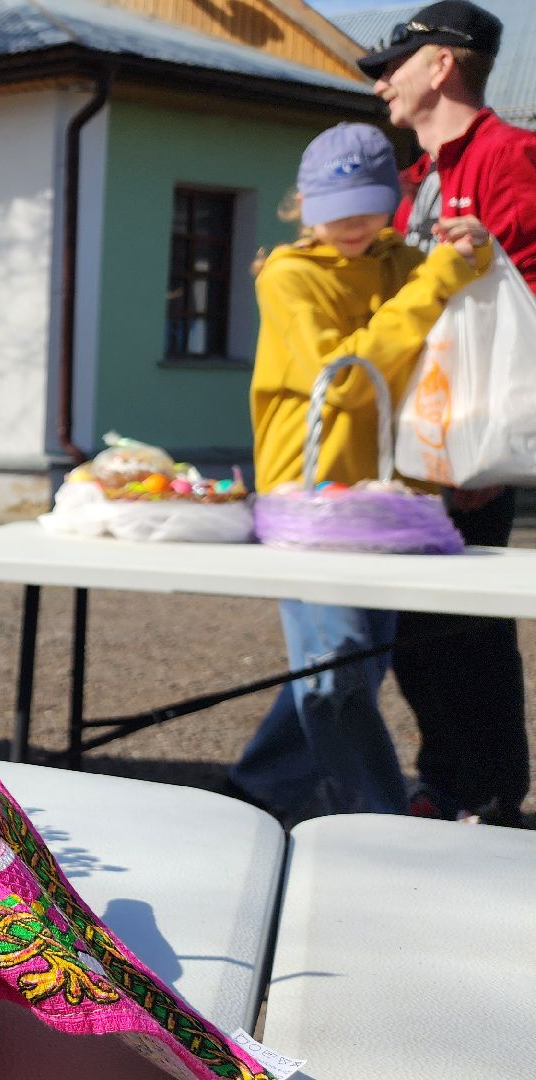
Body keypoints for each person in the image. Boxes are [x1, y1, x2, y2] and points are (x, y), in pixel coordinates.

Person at [232, 123, 490, 823]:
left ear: (395, 199)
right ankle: (372, 816)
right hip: (310, 498)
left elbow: (448, 317)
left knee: (355, 661)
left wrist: (472, 253)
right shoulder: (289, 276)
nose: (351, 223)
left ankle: (262, 787)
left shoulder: (404, 261)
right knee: (339, 658)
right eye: (334, 207)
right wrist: (436, 277)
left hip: (388, 495)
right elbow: (345, 377)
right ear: (304, 204)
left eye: (367, 205)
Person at [359, 0, 532, 827]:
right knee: (414, 635)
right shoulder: (415, 183)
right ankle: (448, 779)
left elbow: (515, 321)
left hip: (473, 453)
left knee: (465, 631)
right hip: (415, 449)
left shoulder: (512, 157)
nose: (382, 82)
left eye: (395, 63)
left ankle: (488, 794)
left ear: (442, 64)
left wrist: (478, 452)